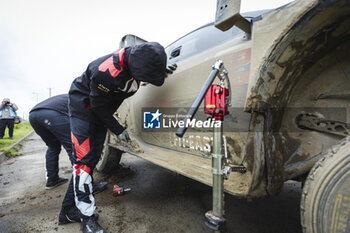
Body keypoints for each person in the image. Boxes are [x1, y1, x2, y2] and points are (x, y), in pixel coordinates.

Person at [59, 42, 176, 233]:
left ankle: (68, 211)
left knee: (92, 158)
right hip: (84, 109)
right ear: (133, 68)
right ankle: (86, 217)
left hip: (101, 110)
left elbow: (134, 82)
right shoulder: (105, 72)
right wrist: (118, 129)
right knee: (84, 163)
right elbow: (97, 107)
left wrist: (158, 72)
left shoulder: (139, 62)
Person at [29, 94, 108, 192]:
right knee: (75, 148)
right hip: (52, 114)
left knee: (53, 146)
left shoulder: (73, 95)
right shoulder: (84, 99)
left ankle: (52, 180)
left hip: (33, 115)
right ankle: (86, 186)